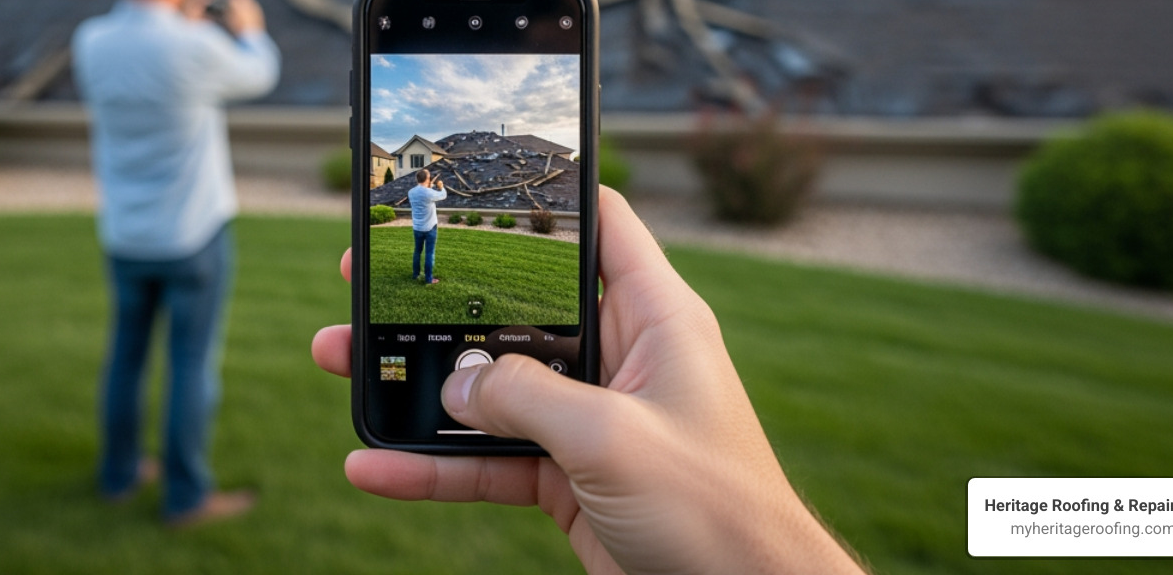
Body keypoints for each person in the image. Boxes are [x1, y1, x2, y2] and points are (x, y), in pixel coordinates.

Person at [311, 187, 866, 575]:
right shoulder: (431, 197)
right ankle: (428, 276)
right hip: (434, 232)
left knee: (412, 250)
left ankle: (420, 273)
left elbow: (429, 191)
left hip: (417, 237)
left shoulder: (412, 197)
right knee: (429, 251)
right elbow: (444, 196)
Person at [73, 0, 280, 527]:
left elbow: (151, 60)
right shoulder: (194, 48)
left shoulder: (91, 40)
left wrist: (183, 23)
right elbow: (259, 73)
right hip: (193, 235)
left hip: (124, 235)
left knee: (126, 359)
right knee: (191, 363)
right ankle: (187, 497)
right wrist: (250, 27)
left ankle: (118, 474)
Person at [407, 169, 447, 285]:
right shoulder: (429, 193)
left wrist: (429, 186)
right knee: (429, 253)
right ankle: (429, 279)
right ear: (427, 179)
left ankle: (416, 274)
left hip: (417, 228)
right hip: (430, 228)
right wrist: (441, 186)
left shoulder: (411, 192)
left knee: (417, 252)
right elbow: (443, 195)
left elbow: (423, 192)